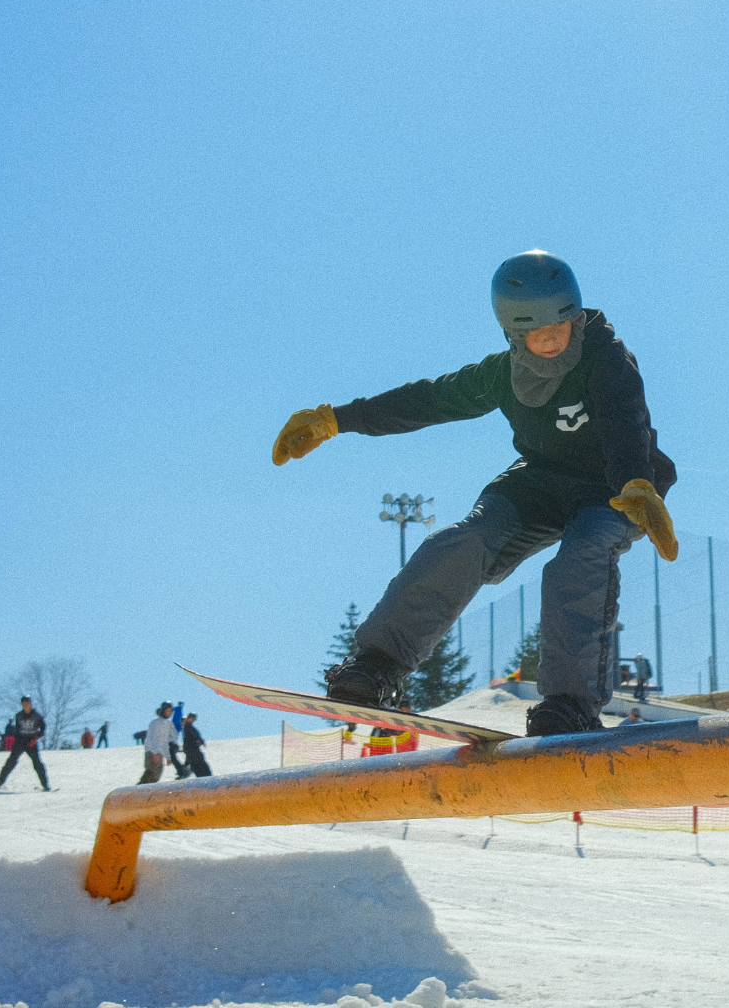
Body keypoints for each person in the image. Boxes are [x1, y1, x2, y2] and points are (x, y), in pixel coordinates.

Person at [273, 251, 678, 737]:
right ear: (512, 334)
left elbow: (626, 420)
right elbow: (426, 400)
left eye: (560, 327)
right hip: (540, 482)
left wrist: (637, 483)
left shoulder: (608, 359)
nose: (550, 340)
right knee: (467, 539)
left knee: (583, 553)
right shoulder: (501, 373)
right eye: (536, 332)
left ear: (575, 317)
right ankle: (378, 665)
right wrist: (338, 420)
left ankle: (570, 702)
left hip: (615, 489)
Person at [0, 696, 50, 791]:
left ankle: (45, 785)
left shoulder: (37, 716)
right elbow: (18, 729)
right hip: (20, 741)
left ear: (30, 704)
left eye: (27, 703)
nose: (26, 705)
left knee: (37, 763)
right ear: (22, 704)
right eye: (24, 704)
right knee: (10, 762)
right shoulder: (18, 715)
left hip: (31, 742)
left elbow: (43, 729)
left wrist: (35, 738)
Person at [138, 702, 178, 784]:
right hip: (152, 751)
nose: (168, 713)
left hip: (159, 752)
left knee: (155, 775)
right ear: (163, 710)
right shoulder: (156, 722)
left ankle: (144, 792)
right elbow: (150, 739)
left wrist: (168, 757)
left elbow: (165, 742)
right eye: (167, 711)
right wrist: (155, 752)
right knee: (152, 773)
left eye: (170, 711)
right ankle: (138, 792)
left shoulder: (168, 724)